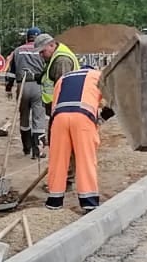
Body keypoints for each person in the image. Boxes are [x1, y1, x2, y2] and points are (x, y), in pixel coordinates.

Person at [45, 63, 114, 212]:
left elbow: (53, 107)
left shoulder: (63, 78)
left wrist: (50, 138)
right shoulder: (98, 75)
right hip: (83, 119)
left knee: (57, 161)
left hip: (59, 119)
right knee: (85, 159)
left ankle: (54, 201)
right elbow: (115, 101)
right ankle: (88, 201)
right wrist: (101, 119)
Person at [5, 26, 47, 159]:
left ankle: (26, 148)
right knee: (39, 118)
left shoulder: (18, 51)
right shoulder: (43, 50)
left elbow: (11, 73)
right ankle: (38, 150)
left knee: (24, 117)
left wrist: (8, 88)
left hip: (22, 86)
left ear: (26, 37)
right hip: (38, 86)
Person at [33, 33, 79, 154]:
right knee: (57, 146)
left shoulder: (61, 61)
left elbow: (63, 88)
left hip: (63, 111)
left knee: (62, 147)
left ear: (52, 45)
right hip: (57, 110)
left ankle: (67, 171)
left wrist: (59, 114)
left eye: (42, 51)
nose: (41, 55)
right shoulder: (54, 58)